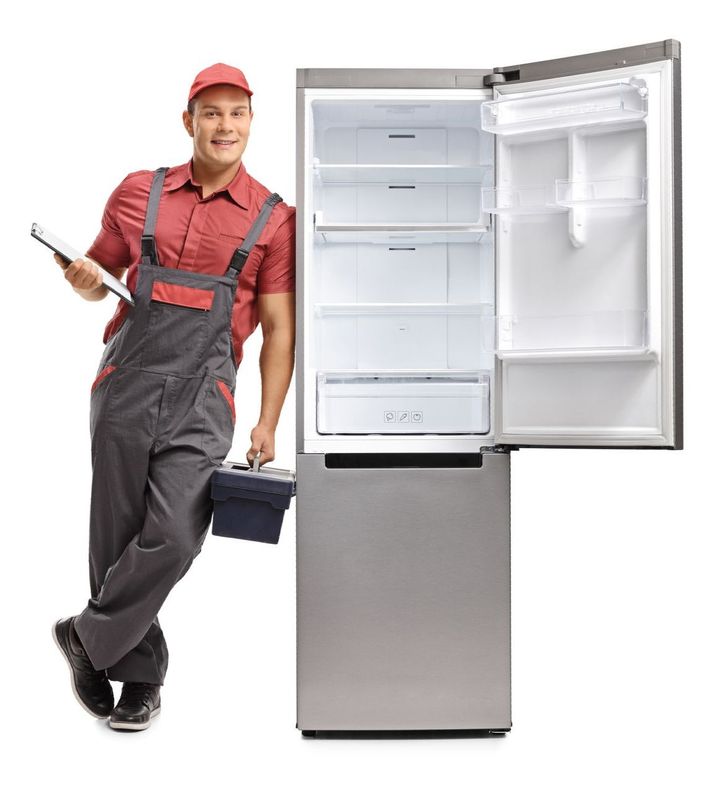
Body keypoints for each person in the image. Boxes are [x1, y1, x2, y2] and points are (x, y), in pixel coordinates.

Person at [51, 63, 295, 731]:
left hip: (205, 396)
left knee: (176, 535)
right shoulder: (139, 192)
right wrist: (84, 281)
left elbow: (278, 329)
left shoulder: (275, 220)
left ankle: (87, 639)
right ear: (188, 121)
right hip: (125, 383)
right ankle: (139, 679)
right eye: (211, 112)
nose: (225, 125)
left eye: (237, 112)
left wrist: (270, 419)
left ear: (251, 121)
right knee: (116, 536)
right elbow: (99, 274)